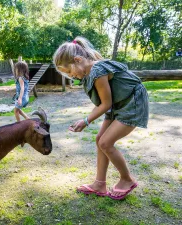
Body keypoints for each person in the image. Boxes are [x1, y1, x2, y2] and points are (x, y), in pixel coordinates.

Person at [53, 37, 149, 200]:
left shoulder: (97, 71)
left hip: (132, 102)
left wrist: (85, 120)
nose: (72, 76)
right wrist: (86, 119)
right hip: (119, 104)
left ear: (78, 60)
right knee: (100, 140)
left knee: (106, 143)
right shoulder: (90, 72)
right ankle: (99, 184)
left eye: (70, 71)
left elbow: (106, 103)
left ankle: (127, 179)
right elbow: (107, 103)